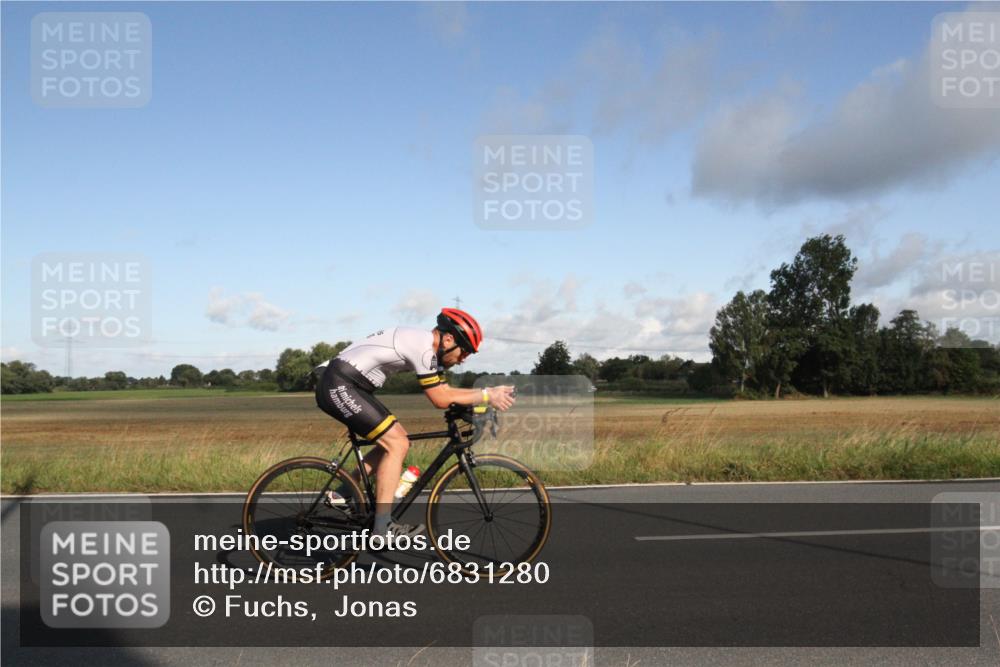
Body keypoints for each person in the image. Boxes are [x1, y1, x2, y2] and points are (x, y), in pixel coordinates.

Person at [314, 307, 516, 539]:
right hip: (340, 384)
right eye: (464, 351)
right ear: (448, 339)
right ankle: (382, 529)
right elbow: (439, 399)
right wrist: (487, 395)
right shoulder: (422, 348)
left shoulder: (428, 350)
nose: (463, 359)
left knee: (394, 441)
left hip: (350, 384)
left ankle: (342, 496)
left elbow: (446, 390)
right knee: (397, 444)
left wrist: (478, 405)